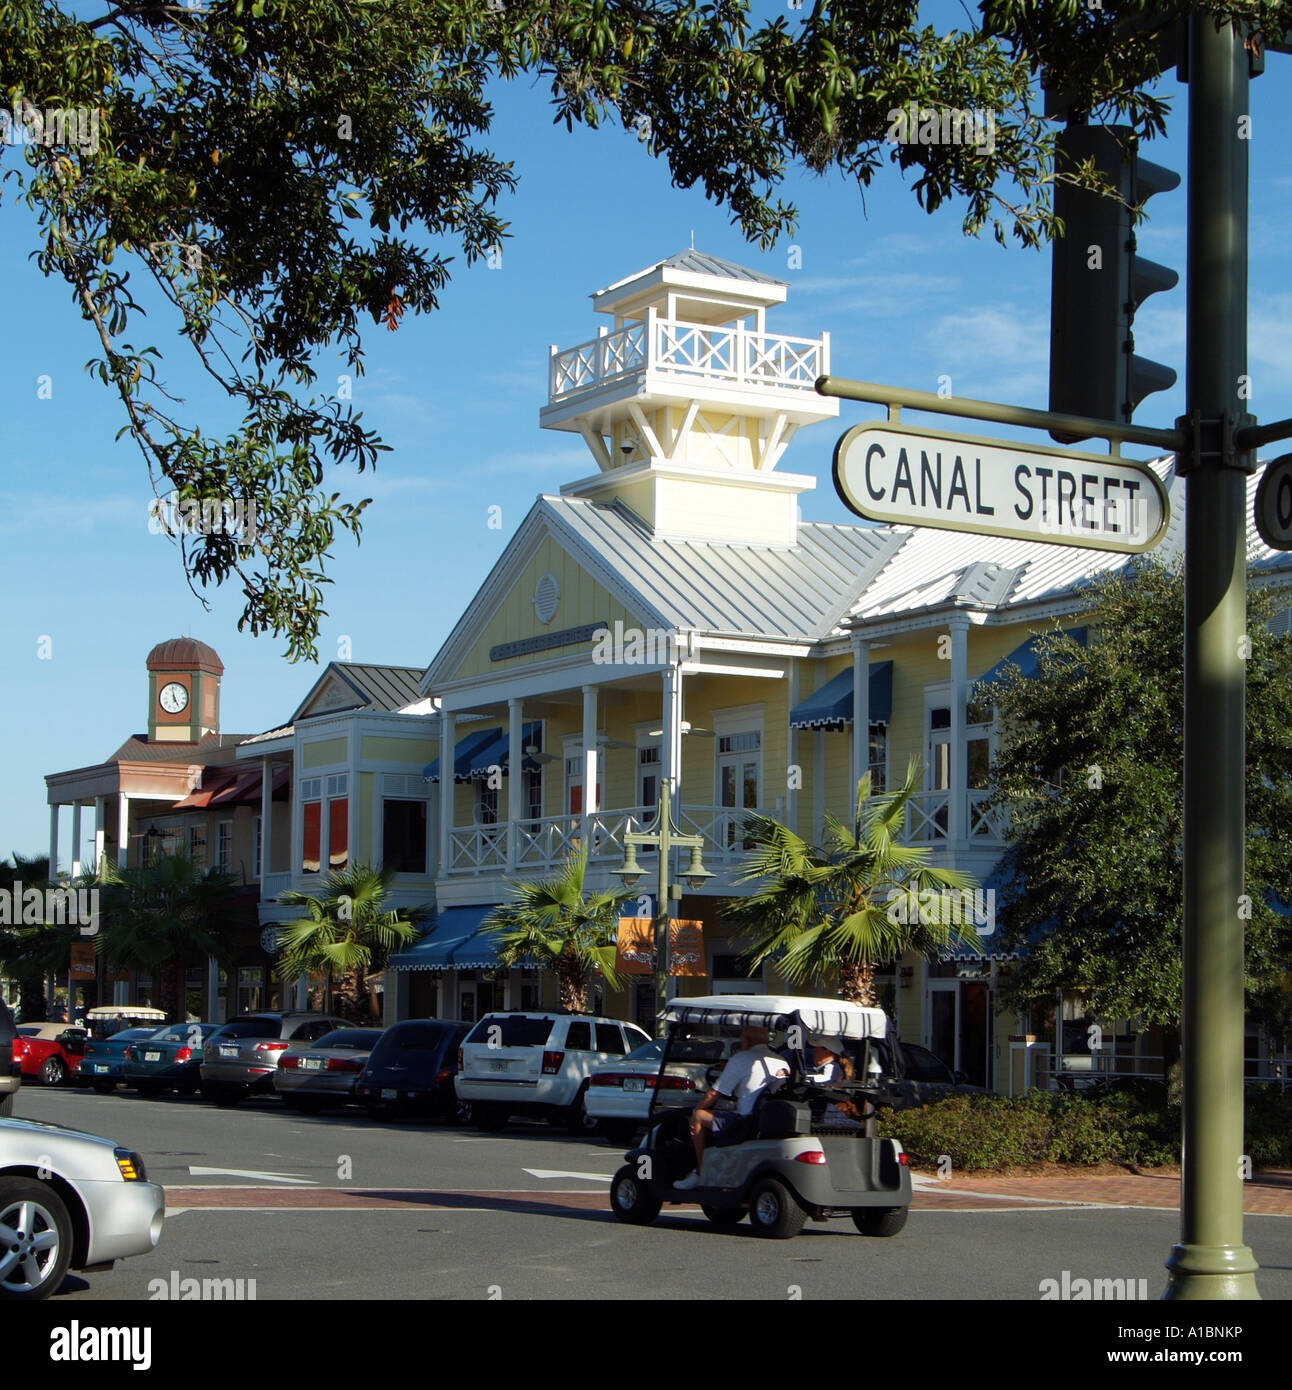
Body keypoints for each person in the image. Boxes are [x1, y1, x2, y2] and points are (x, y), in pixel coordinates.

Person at [674, 1023, 790, 1189]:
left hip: (744, 1122)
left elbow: (713, 1094)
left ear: (746, 1040)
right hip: (764, 1119)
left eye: (741, 1037)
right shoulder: (781, 1061)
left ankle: (700, 1172)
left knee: (699, 1116)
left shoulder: (741, 1059)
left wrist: (695, 1109)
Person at [806, 1034, 867, 1127]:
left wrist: (803, 1078)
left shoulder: (831, 1066)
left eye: (817, 1048)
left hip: (831, 1118)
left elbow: (825, 1080)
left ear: (828, 1053)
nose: (814, 1051)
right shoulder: (832, 1067)